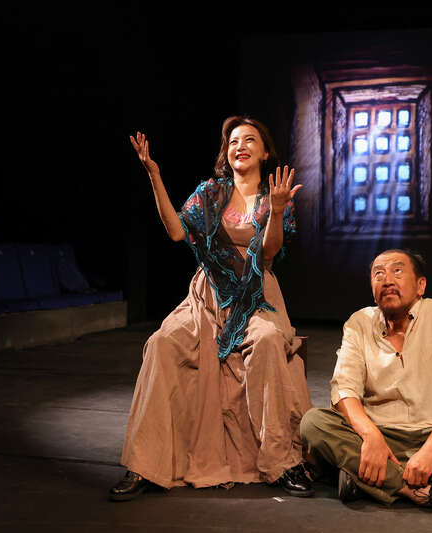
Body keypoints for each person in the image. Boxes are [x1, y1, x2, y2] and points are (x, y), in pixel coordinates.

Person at [110, 117, 314, 501]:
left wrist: (276, 209)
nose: (240, 146)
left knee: (268, 341)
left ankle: (282, 463)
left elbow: (269, 252)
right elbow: (176, 231)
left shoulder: (274, 196)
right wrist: (154, 175)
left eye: (249, 140)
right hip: (208, 296)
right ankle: (144, 464)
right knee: (161, 344)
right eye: (233, 141)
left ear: (264, 153)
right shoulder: (210, 193)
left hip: (256, 296)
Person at [299, 249, 432, 517]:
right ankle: (425, 493)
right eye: (378, 274)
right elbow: (344, 388)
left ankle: (369, 480)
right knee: (313, 424)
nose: (387, 280)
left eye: (397, 271)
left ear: (420, 285)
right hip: (380, 437)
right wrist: (371, 436)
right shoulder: (359, 323)